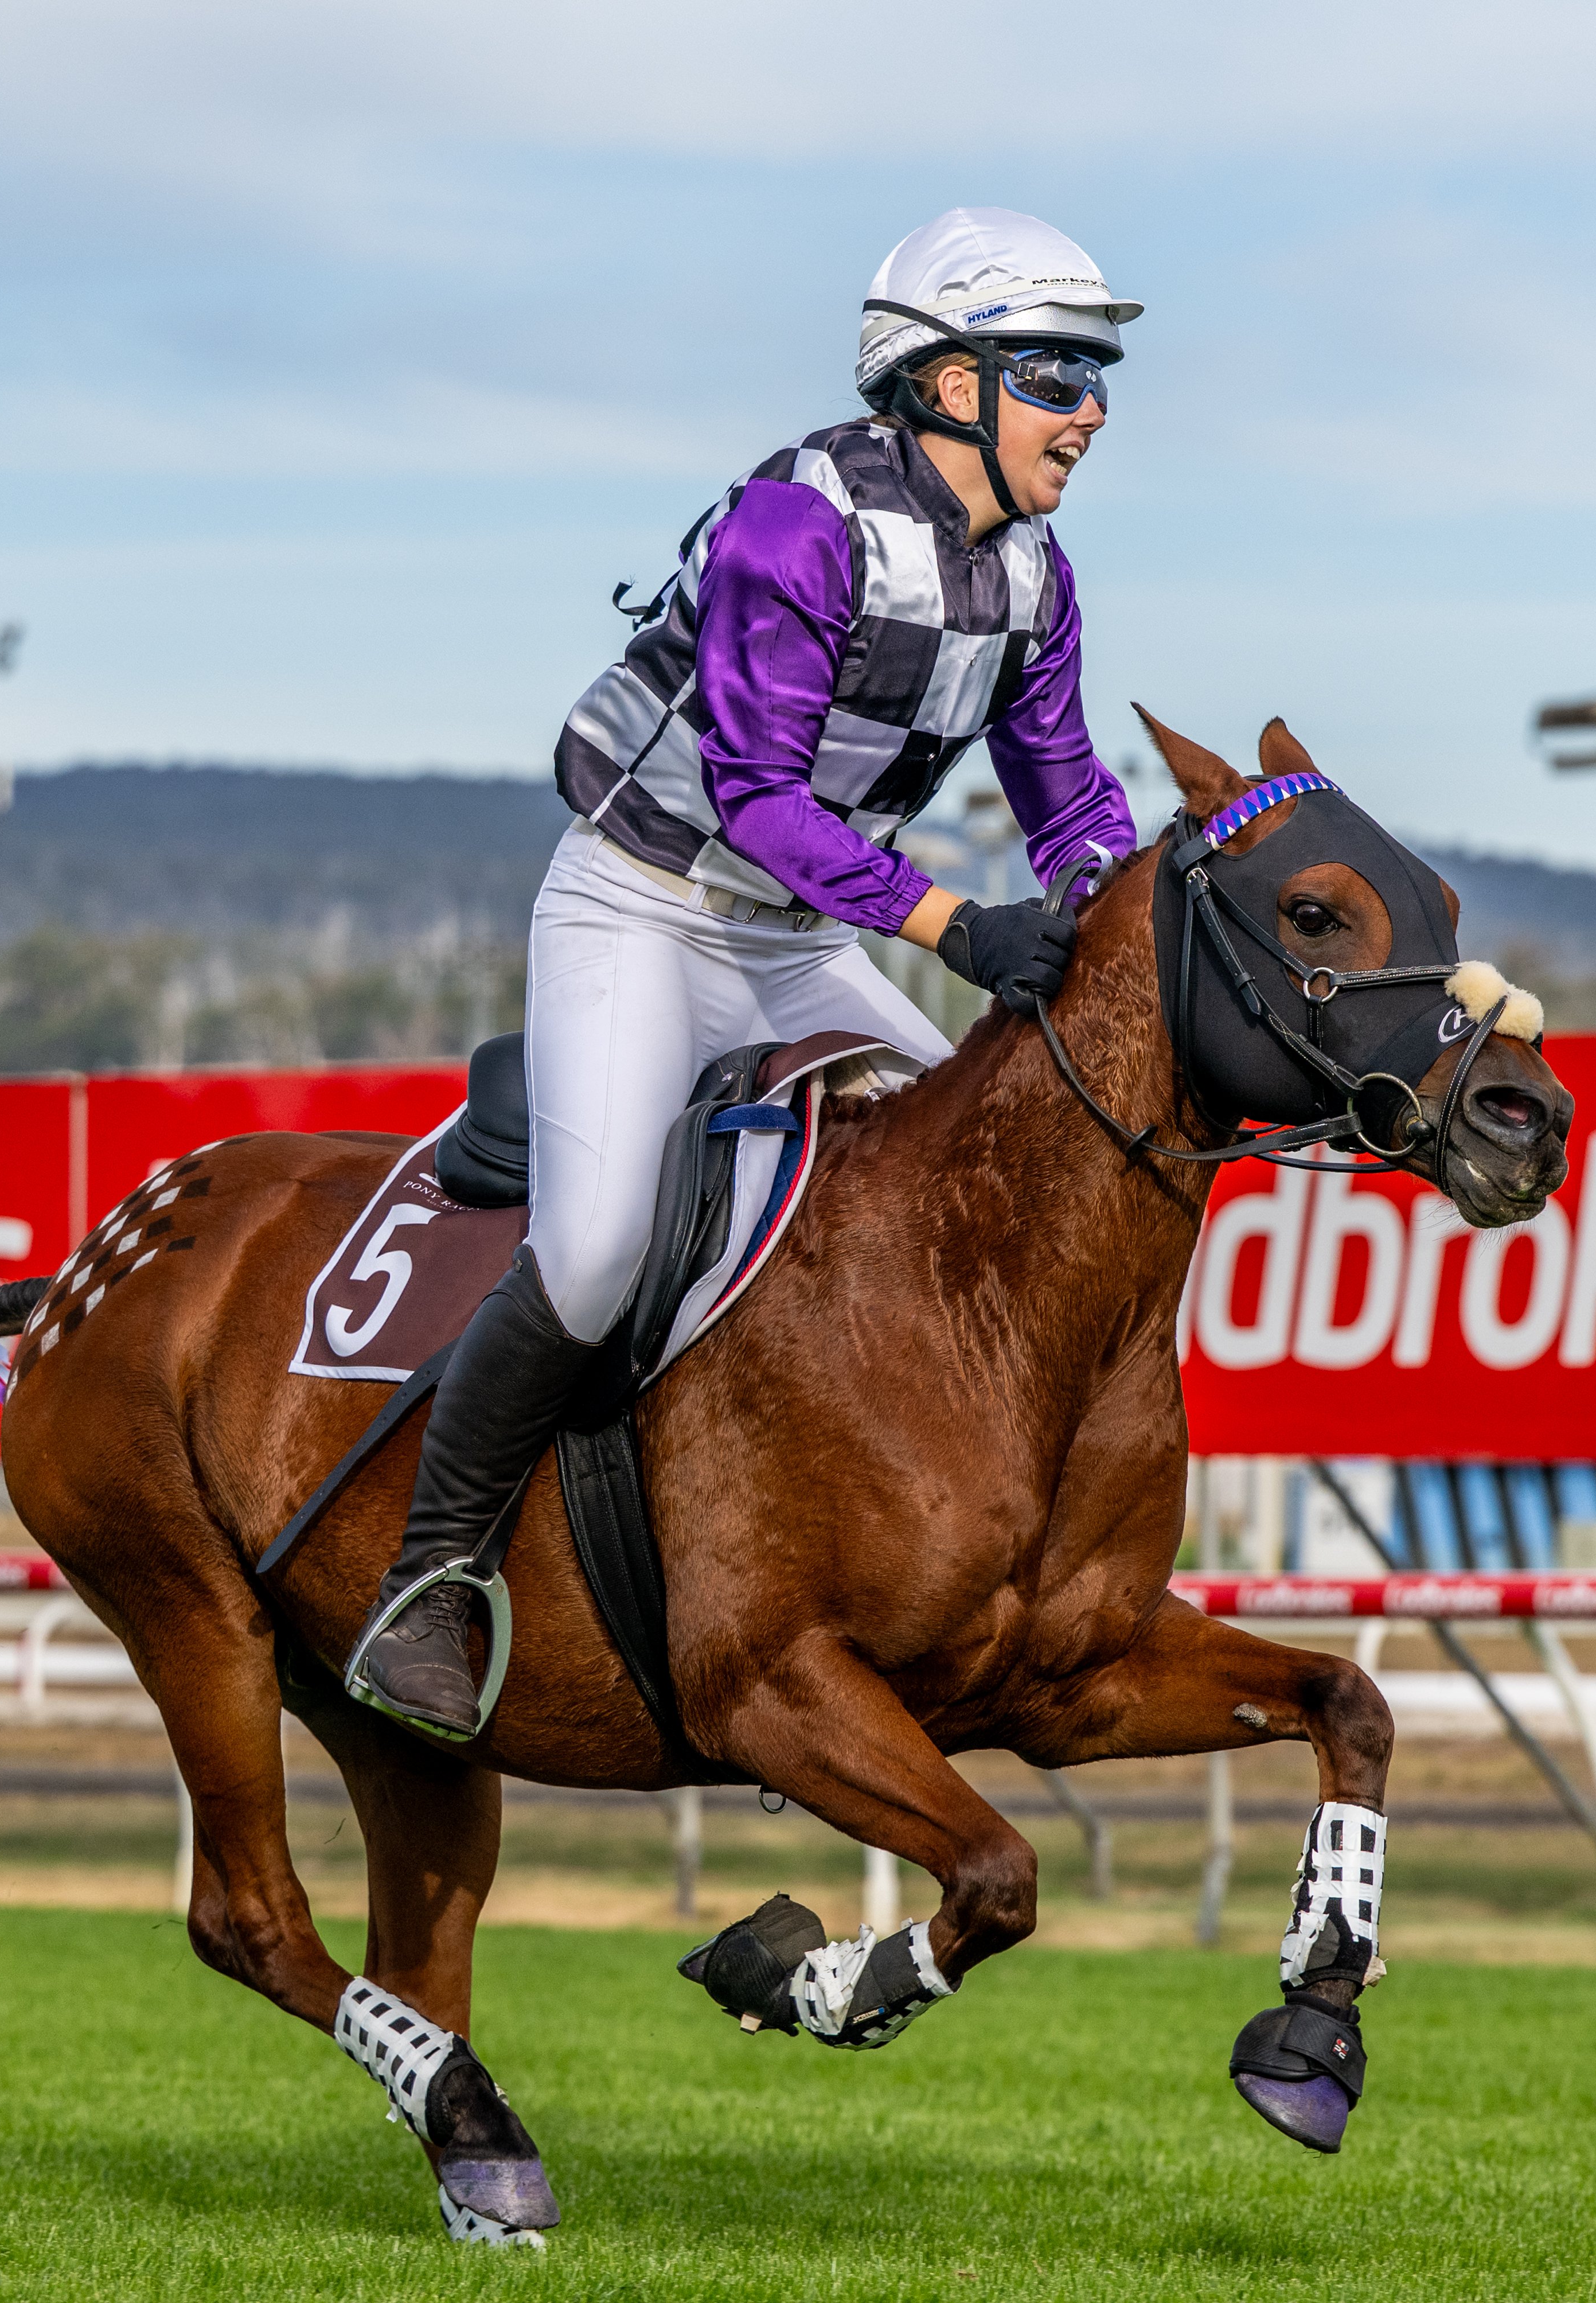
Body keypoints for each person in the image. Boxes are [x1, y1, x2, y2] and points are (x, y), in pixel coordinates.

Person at [347, 206, 1147, 1743]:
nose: (1091, 407)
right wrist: (955, 930)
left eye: (1096, 373)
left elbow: (1064, 791)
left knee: (950, 1202)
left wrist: (1120, 913)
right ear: (948, 383)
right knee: (589, 1263)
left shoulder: (1034, 577)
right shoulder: (801, 522)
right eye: (1055, 371)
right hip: (641, 908)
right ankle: (429, 1577)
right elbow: (764, 801)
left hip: (796, 937)